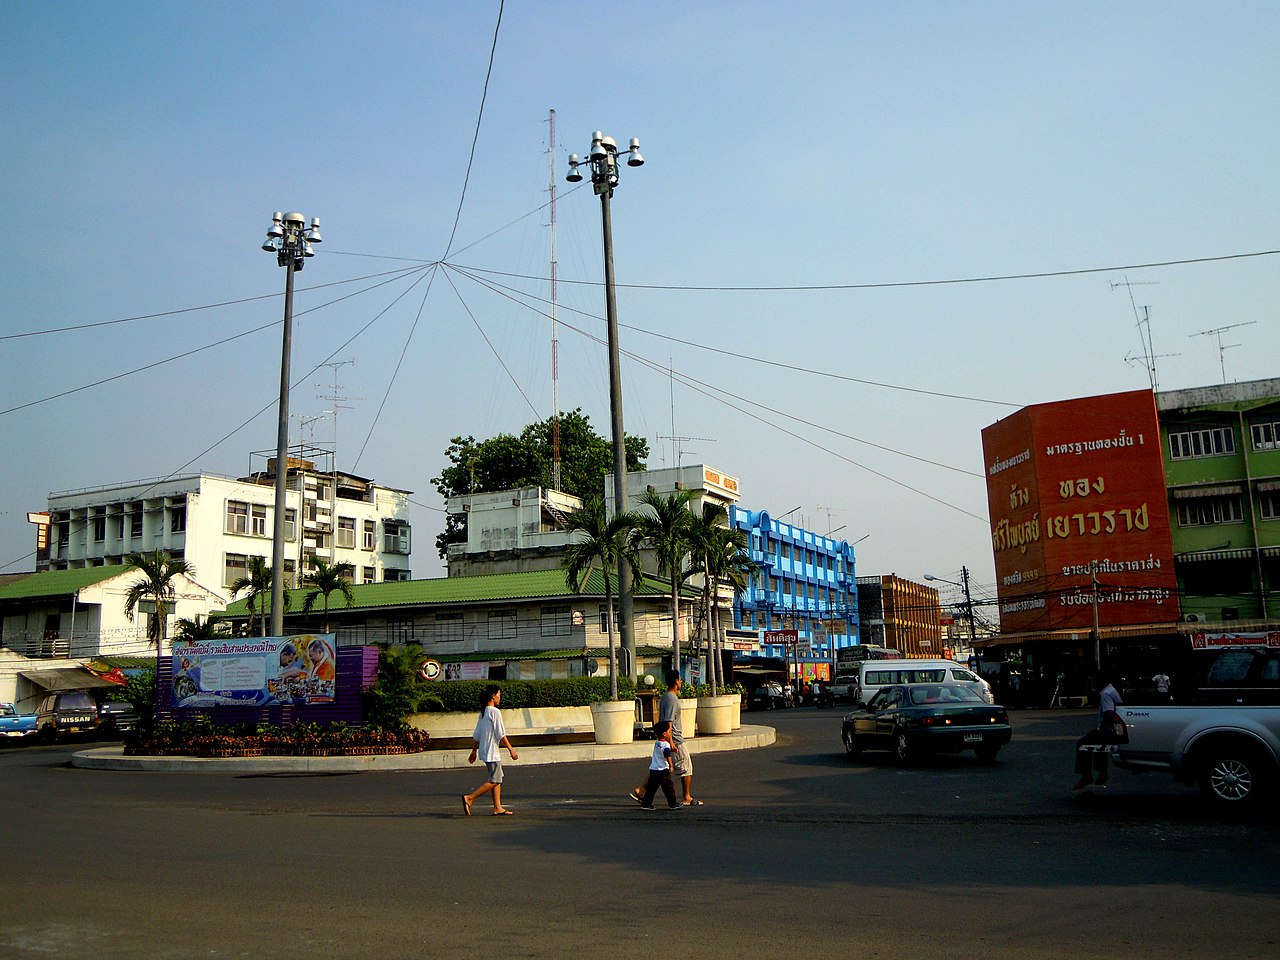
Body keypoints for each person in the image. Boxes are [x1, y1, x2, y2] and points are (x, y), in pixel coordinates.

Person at [630, 669, 702, 806]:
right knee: (686, 766)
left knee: (659, 768)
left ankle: (641, 790)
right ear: (676, 681)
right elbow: (668, 723)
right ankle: (686, 796)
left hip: (667, 738)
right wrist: (671, 743)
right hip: (674, 738)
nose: (681, 682)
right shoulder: (671, 699)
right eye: (680, 680)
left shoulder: (665, 697)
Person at [463, 685, 519, 816]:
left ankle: (497, 807)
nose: (500, 697)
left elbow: (476, 734)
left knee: (495, 777)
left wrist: (474, 751)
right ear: (493, 696)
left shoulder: (483, 712)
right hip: (491, 751)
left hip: (484, 750)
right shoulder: (494, 712)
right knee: (496, 780)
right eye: (499, 694)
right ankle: (470, 798)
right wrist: (511, 750)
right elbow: (501, 733)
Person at [1073, 672, 1124, 790]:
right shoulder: (1110, 690)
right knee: (1098, 743)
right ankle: (1102, 773)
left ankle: (1086, 775)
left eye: (1095, 679)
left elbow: (1109, 713)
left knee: (1083, 743)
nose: (1093, 682)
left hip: (1111, 729)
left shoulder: (1106, 694)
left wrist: (1099, 729)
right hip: (1114, 728)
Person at [637, 720, 683, 810]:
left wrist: (671, 749)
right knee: (668, 787)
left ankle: (646, 804)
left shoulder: (657, 743)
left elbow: (662, 752)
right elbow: (667, 756)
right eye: (669, 732)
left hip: (654, 769)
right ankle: (672, 804)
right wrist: (671, 766)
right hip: (663, 770)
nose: (670, 733)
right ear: (664, 734)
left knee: (651, 788)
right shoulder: (666, 744)